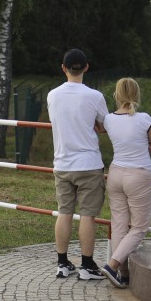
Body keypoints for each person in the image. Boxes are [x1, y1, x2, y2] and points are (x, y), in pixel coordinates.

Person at [46, 48, 110, 281]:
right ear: (86, 68)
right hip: (88, 164)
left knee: (64, 213)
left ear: (63, 68)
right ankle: (87, 266)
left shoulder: (52, 95)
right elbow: (105, 125)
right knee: (87, 216)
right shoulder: (95, 96)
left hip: (62, 163)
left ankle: (62, 263)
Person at [101, 77, 151, 288]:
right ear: (136, 94)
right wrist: (146, 147)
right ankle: (112, 265)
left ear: (117, 95)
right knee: (139, 227)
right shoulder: (144, 119)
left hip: (115, 173)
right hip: (138, 174)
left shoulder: (108, 119)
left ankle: (124, 274)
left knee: (119, 225)